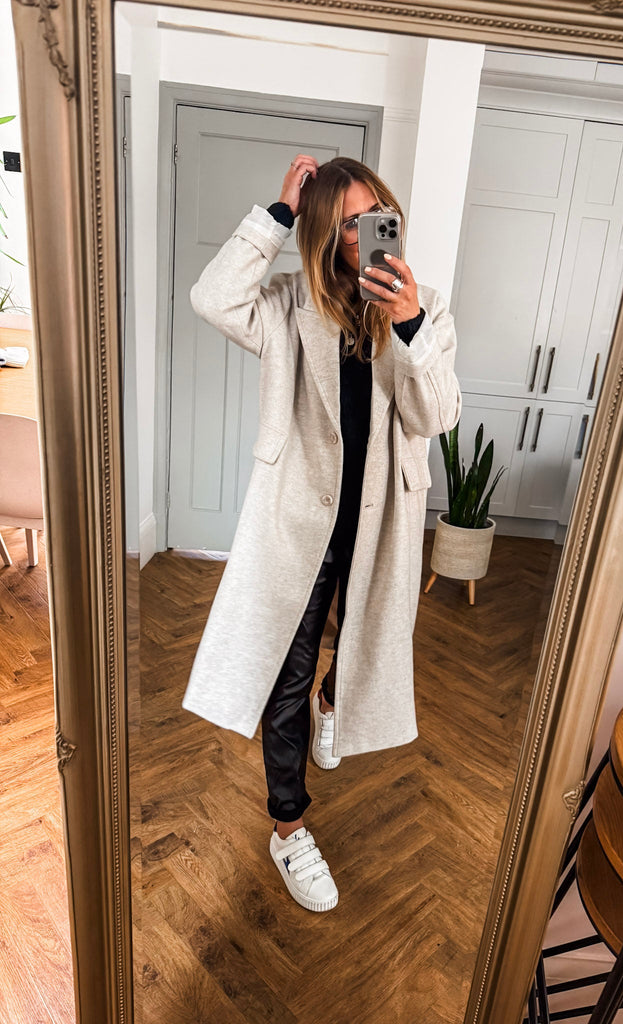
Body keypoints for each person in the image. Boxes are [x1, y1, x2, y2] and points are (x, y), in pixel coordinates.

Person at [182, 154, 461, 912]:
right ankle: (288, 826)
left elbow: (436, 416)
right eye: (342, 224)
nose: (359, 236)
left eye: (372, 218)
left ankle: (334, 706)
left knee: (367, 640)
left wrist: (409, 325)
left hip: (381, 521)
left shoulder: (426, 307)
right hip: (298, 519)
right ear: (319, 232)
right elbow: (213, 297)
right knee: (287, 673)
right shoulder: (287, 305)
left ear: (390, 216)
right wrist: (277, 213)